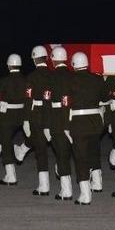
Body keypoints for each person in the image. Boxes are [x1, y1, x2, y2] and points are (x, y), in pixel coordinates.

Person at [61, 51, 107, 205]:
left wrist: (66, 126)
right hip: (95, 122)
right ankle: (98, 183)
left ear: (73, 64)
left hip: (78, 123)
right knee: (94, 151)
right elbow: (105, 99)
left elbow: (65, 104)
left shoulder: (69, 81)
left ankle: (85, 194)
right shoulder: (98, 79)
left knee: (80, 158)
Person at [0, 53, 30, 185]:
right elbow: (29, 98)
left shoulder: (4, 81)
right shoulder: (26, 80)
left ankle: (10, 175)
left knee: (6, 142)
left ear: (9, 65)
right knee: (4, 138)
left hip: (7, 115)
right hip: (21, 114)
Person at [24, 45, 55, 196]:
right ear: (46, 58)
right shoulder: (52, 75)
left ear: (34, 60)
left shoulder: (32, 77)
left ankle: (44, 186)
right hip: (53, 114)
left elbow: (28, 100)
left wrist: (26, 119)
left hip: (37, 115)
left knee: (41, 150)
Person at [48, 46, 73, 200]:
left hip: (58, 117)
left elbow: (47, 99)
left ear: (54, 59)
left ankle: (66, 190)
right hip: (75, 117)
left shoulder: (51, 77)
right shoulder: (73, 76)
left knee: (62, 154)